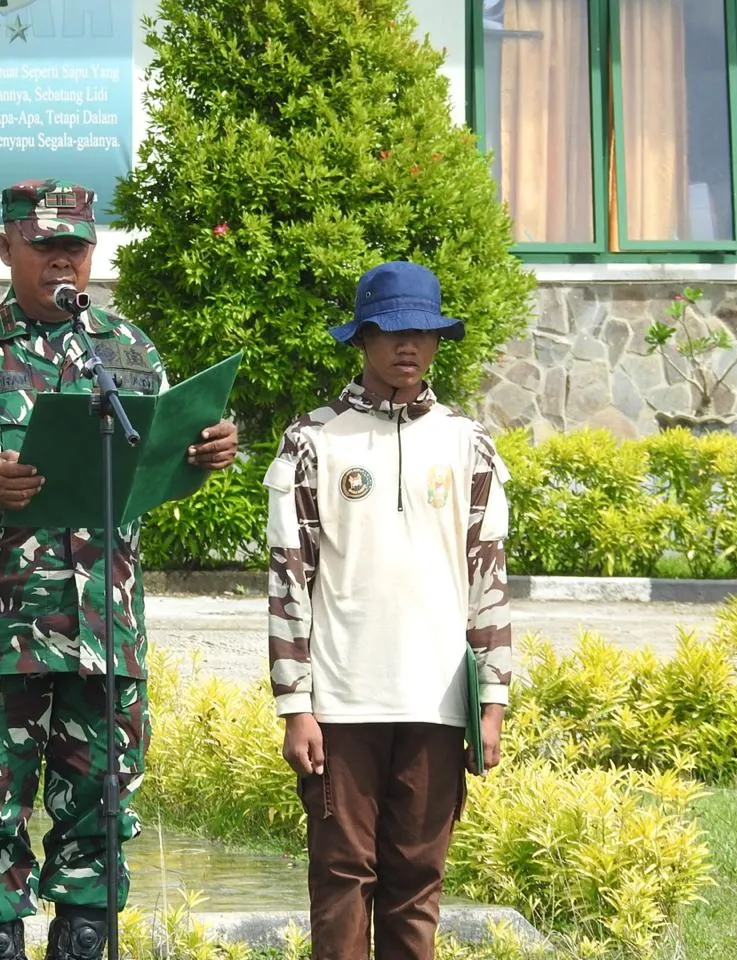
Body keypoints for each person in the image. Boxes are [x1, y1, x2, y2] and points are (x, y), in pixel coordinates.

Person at [0, 179, 238, 960]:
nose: (61, 260)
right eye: (44, 245)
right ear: (6, 248)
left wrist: (208, 450)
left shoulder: (126, 350)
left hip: (103, 627)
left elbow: (161, 454)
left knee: (102, 812)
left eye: (74, 247)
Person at [263, 260, 512, 960]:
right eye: (393, 330)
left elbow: (487, 576)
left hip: (437, 704)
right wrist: (296, 705)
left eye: (425, 332)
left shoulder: (470, 443)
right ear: (363, 337)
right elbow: (288, 580)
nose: (410, 346)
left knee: (417, 882)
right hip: (342, 705)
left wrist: (491, 700)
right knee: (342, 879)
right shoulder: (311, 441)